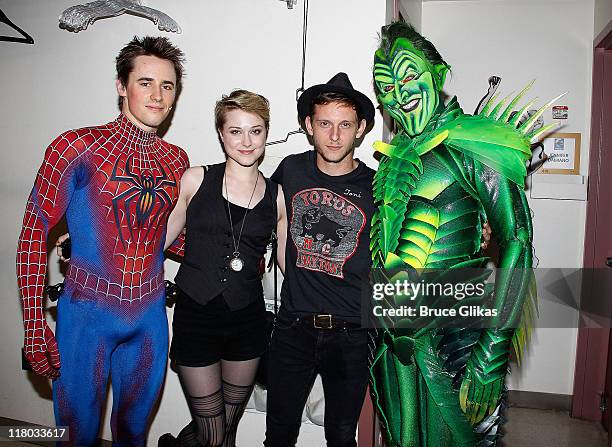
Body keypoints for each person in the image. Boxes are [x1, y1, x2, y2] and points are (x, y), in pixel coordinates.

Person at [369, 22, 547, 446]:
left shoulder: (473, 144)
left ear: (438, 73)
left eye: (409, 74)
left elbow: (518, 240)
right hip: (394, 337)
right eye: (386, 84)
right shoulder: (393, 159)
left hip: (455, 337)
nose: (399, 91)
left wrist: (491, 353)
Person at [16, 36, 188, 446]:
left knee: (133, 433)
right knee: (76, 434)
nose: (158, 95)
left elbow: (169, 238)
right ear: (120, 85)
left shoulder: (177, 159)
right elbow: (33, 235)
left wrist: (239, 247)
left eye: (167, 85)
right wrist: (34, 324)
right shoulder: (76, 147)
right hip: (87, 314)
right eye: (145, 82)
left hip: (148, 315)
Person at [158, 90, 284, 447]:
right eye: (235, 131)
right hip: (197, 315)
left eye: (256, 131)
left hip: (248, 321)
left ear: (266, 133)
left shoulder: (277, 195)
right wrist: (93, 244)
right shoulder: (195, 179)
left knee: (226, 430)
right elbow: (157, 238)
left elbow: (289, 262)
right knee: (211, 433)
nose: (246, 141)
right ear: (221, 134)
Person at [263, 72, 376, 447]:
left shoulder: (378, 187)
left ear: (360, 129)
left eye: (345, 125)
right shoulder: (289, 171)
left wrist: (479, 232)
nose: (334, 135)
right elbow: (246, 207)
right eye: (324, 123)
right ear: (309, 126)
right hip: (293, 327)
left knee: (342, 436)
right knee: (279, 434)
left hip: (354, 333)